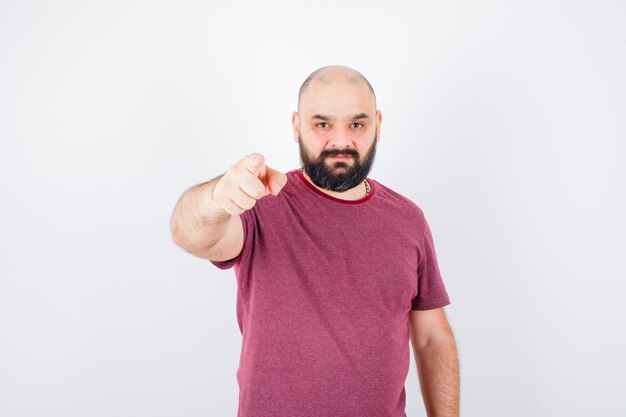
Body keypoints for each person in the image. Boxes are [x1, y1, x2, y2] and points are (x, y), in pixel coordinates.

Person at [170, 65, 460, 417]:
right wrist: (216, 197)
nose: (340, 141)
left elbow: (432, 337)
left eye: (357, 124)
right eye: (322, 124)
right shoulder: (262, 203)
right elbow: (189, 232)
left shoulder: (409, 220)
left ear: (378, 126)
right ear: (296, 126)